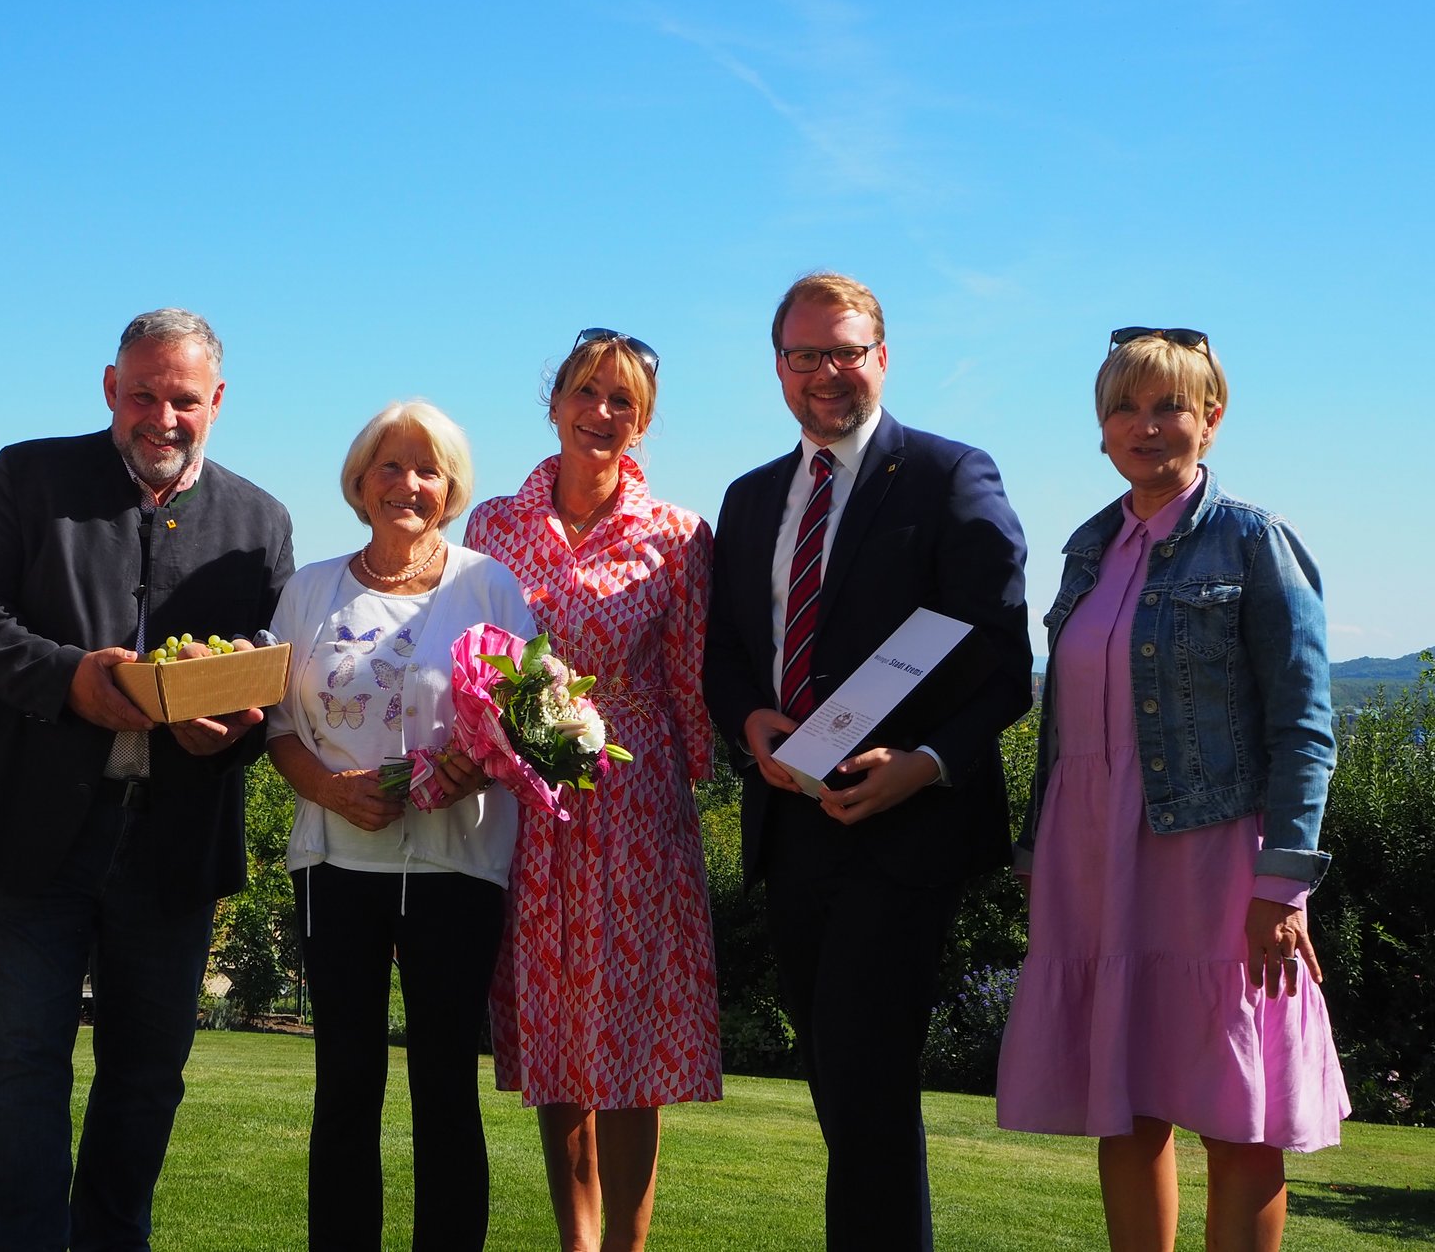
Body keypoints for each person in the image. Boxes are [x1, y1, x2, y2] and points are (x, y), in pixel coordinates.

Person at [0, 308, 293, 1251]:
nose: (161, 418)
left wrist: (234, 734)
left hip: (171, 844)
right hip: (28, 832)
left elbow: (274, 676)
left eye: (183, 399)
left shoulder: (261, 522)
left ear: (217, 402)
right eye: (143, 395)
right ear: (109, 389)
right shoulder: (28, 475)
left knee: (147, 1075)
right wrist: (69, 682)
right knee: (20, 1066)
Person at [996, 328, 1349, 1250]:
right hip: (1093, 858)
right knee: (1127, 1105)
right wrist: (1041, 855)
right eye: (1126, 408)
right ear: (1101, 428)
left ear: (1212, 419)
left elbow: (1304, 728)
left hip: (1214, 860)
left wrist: (1283, 884)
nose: (1146, 426)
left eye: (1169, 407)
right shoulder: (1088, 546)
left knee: (1238, 1114)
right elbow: (1064, 725)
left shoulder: (1254, 541)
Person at [701, 272, 1031, 1250]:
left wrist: (923, 761)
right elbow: (726, 653)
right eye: (805, 354)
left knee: (868, 1080)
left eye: (844, 350)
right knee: (841, 1087)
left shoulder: (948, 475)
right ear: (777, 367)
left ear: (881, 357)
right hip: (790, 824)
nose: (825, 373)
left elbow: (1003, 668)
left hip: (902, 828)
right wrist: (746, 722)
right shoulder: (750, 496)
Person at [463, 328, 720, 1252]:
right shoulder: (492, 523)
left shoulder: (679, 535)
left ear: (643, 422)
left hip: (637, 806)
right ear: (555, 401)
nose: (600, 413)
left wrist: (688, 796)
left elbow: (690, 678)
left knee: (631, 1043)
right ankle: (577, 1242)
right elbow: (477, 661)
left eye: (622, 401)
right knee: (557, 1032)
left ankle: (625, 1248)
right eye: (585, 392)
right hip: (528, 801)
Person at [265, 400, 532, 1252]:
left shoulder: (488, 585)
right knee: (345, 1083)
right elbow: (275, 726)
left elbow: (526, 720)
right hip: (334, 864)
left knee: (444, 1086)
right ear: (359, 481)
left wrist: (474, 769)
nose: (407, 484)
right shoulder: (309, 588)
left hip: (457, 868)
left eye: (427, 469)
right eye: (389, 466)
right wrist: (333, 791)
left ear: (450, 488)